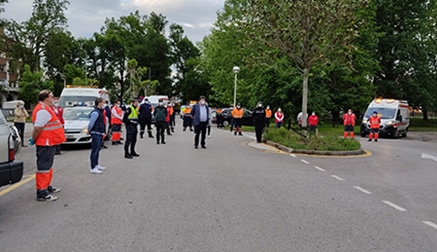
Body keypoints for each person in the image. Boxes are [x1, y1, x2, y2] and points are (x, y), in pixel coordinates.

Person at [30, 90, 66, 201]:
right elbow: (38, 127)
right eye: (51, 97)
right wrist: (34, 138)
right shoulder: (43, 110)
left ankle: (46, 186)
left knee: (48, 166)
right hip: (45, 142)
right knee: (44, 167)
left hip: (49, 142)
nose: (53, 99)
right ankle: (42, 192)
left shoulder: (45, 109)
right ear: (46, 99)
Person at [87, 98, 106, 174]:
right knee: (94, 150)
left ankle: (96, 164)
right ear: (99, 103)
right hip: (96, 133)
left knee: (97, 150)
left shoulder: (99, 112)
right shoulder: (95, 113)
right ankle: (93, 167)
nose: (104, 104)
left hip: (99, 132)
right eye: (103, 103)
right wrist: (89, 130)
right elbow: (91, 123)